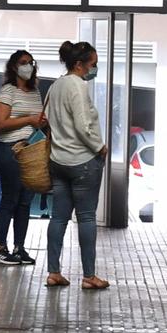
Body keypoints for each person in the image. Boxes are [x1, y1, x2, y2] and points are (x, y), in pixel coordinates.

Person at [42, 40, 109, 290]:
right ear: (79, 64)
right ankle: (90, 276)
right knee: (87, 217)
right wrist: (99, 147)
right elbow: (83, 125)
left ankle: (53, 272)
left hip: (58, 161)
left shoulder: (56, 85)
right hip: (82, 161)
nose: (95, 68)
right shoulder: (77, 86)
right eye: (93, 64)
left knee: (58, 218)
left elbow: (46, 119)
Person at [0, 49, 47, 266]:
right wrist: (29, 119)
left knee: (25, 201)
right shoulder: (7, 91)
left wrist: (40, 121)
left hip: (31, 150)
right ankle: (1, 247)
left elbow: (37, 118)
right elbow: (2, 123)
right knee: (10, 198)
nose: (28, 66)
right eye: (24, 62)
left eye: (31, 62)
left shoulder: (35, 92)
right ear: (14, 66)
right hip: (10, 150)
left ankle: (19, 247)